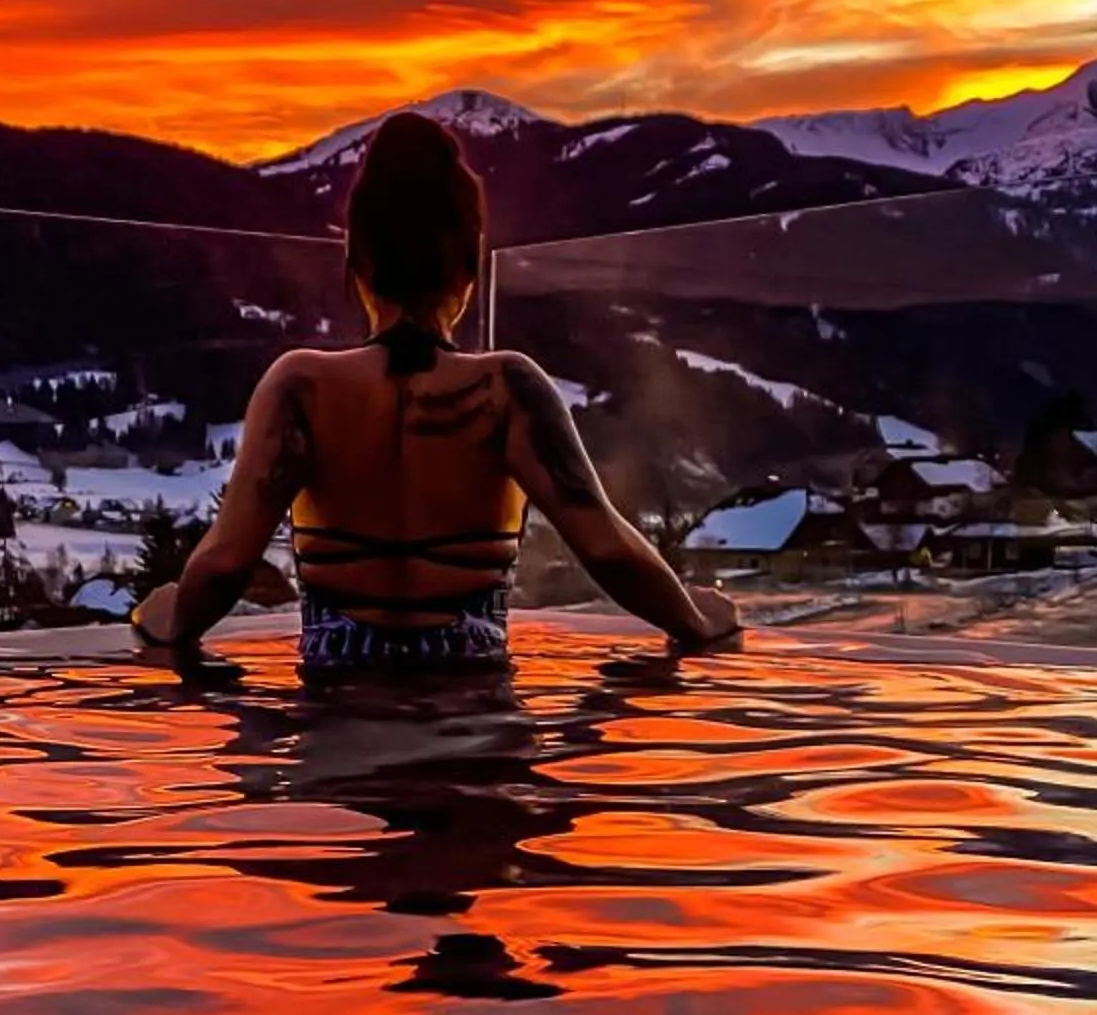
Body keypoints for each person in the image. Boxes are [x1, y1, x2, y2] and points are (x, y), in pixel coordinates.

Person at [131, 110, 740, 673]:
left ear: (358, 260)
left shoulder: (300, 385)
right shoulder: (507, 387)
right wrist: (693, 620)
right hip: (471, 704)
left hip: (337, 714)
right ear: (468, 270)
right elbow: (607, 549)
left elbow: (225, 563)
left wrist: (169, 616)